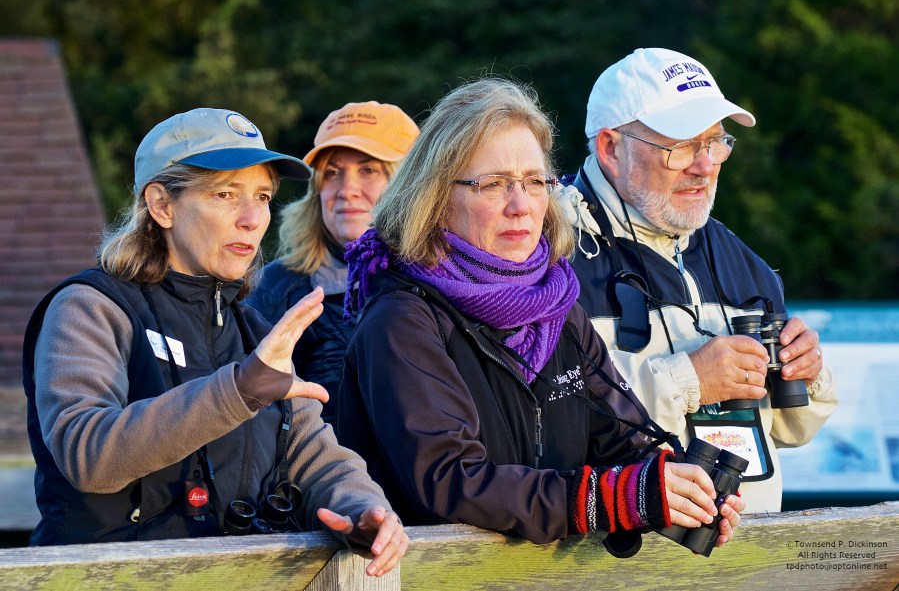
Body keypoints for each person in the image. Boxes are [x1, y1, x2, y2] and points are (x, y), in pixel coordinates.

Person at [336, 77, 744, 551]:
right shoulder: (403, 320)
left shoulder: (557, 306)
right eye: (493, 185)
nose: (520, 206)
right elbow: (450, 483)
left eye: (534, 182)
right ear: (436, 196)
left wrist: (679, 488)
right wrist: (612, 498)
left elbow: (622, 443)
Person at [22, 108, 407, 575]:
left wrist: (366, 512)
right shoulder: (90, 307)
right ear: (162, 205)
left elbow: (316, 458)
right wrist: (240, 389)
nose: (251, 219)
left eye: (262, 196)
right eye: (225, 194)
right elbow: (89, 455)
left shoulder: (255, 329)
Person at [560, 48, 837, 513]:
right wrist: (687, 381)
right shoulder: (545, 256)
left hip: (752, 560)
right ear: (610, 147)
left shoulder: (745, 263)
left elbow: (791, 431)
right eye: (681, 146)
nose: (705, 165)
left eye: (715, 142)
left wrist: (806, 374)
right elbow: (543, 422)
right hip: (615, 565)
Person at [246, 102, 418, 426]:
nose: (346, 190)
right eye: (333, 173)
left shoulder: (453, 280)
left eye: (368, 170)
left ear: (411, 184)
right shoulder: (279, 288)